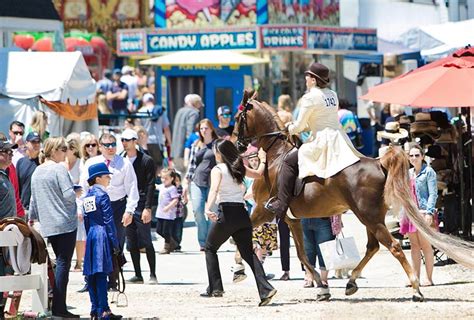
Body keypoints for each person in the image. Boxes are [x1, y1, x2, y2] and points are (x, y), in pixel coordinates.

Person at [264, 62, 361, 218]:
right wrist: (303, 127)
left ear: (314, 80)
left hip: (321, 140)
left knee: (288, 161)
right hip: (339, 138)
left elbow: (300, 125)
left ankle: (281, 204)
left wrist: (289, 128)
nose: (306, 80)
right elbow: (319, 121)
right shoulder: (332, 94)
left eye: (308, 77)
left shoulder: (309, 97)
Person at [202, 139, 277, 306]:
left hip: (227, 213)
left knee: (209, 247)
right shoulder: (239, 168)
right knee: (248, 254)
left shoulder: (218, 169)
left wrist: (208, 208)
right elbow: (258, 174)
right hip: (242, 215)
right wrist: (263, 159)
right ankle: (265, 289)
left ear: (219, 153)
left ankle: (216, 288)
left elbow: (214, 190)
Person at [80, 133, 138, 290]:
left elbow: (132, 188)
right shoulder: (92, 162)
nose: (111, 148)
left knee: (115, 243)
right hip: (95, 206)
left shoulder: (124, 163)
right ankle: (90, 281)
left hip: (117, 206)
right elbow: (83, 186)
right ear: (100, 146)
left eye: (113, 144)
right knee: (93, 242)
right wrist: (81, 207)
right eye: (107, 145)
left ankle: (113, 281)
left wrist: (130, 211)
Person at [29, 137, 78, 318]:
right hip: (65, 222)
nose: (66, 152)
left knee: (57, 263)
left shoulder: (37, 171)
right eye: (63, 149)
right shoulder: (59, 169)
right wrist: (77, 193)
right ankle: (59, 307)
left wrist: (32, 220)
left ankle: (56, 305)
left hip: (47, 224)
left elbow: (33, 201)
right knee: (64, 264)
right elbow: (68, 196)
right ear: (54, 150)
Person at [83, 162, 122, 320]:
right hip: (102, 235)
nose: (109, 179)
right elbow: (109, 221)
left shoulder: (88, 196)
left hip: (91, 234)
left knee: (92, 274)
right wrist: (115, 243)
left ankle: (94, 308)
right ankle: (104, 310)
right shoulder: (103, 195)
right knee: (101, 274)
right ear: (97, 179)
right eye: (107, 176)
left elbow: (86, 220)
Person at [121, 129, 157, 284]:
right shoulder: (120, 160)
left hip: (141, 203)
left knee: (146, 239)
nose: (125, 143)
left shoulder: (146, 160)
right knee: (131, 240)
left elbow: (150, 185)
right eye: (123, 140)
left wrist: (148, 208)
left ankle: (153, 274)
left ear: (135, 141)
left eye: (128, 140)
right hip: (126, 203)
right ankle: (138, 274)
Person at [400, 145, 437, 287]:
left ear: (422, 156)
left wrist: (429, 212)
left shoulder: (429, 172)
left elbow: (433, 194)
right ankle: (415, 277)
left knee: (426, 246)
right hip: (410, 214)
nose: (414, 158)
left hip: (423, 212)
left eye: (416, 155)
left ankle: (429, 278)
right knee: (414, 246)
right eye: (411, 155)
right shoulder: (408, 173)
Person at [185, 119, 218, 250]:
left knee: (212, 212)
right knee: (198, 210)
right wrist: (185, 185)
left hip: (213, 182)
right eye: (201, 129)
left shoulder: (217, 145)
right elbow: (191, 166)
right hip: (197, 181)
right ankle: (203, 241)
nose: (203, 131)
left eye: (206, 128)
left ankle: (210, 240)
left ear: (211, 129)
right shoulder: (196, 145)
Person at [138, 93, 172, 171]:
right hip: (158, 141)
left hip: (144, 142)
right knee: (159, 164)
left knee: (145, 164)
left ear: (144, 101)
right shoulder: (160, 111)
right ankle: (157, 180)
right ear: (153, 100)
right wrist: (169, 141)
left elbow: (138, 128)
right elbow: (166, 128)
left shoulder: (140, 111)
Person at [170, 94, 203, 172]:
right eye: (199, 104)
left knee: (178, 176)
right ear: (196, 103)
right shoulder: (194, 113)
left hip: (175, 150)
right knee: (185, 177)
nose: (200, 107)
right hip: (185, 151)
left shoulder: (180, 111)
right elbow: (190, 132)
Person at [16, 132, 41, 219]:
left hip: (39, 211)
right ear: (26, 143)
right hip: (24, 210)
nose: (36, 144)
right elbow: (17, 187)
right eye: (33, 142)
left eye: (38, 142)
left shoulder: (43, 162)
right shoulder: (21, 162)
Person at [155, 168, 179, 254]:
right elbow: (155, 186)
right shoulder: (162, 186)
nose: (163, 180)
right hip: (160, 213)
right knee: (158, 230)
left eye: (166, 178)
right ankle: (173, 242)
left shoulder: (172, 188)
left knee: (166, 231)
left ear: (172, 179)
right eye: (162, 178)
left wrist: (168, 207)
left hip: (168, 214)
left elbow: (175, 200)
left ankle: (167, 247)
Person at [0, 139, 17, 219]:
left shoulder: (4, 174)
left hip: (7, 227)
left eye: (12, 152)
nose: (12, 155)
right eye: (8, 152)